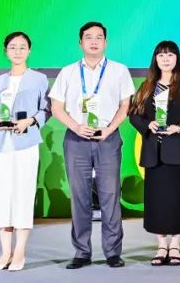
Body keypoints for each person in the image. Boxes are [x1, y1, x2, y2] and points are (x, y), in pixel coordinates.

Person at [49, 22, 135, 269]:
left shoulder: (119, 70)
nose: (94, 41)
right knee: (79, 196)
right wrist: (76, 126)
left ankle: (113, 252)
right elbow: (56, 107)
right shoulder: (68, 72)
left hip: (107, 138)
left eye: (99, 37)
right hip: (77, 139)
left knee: (110, 195)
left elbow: (125, 105)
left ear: (106, 42)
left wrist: (110, 128)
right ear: (80, 42)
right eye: (89, 37)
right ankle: (82, 251)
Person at [129, 41, 180, 266]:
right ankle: (161, 245)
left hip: (178, 151)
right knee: (157, 201)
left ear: (177, 58)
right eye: (161, 55)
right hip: (154, 153)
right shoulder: (146, 86)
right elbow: (134, 115)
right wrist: (148, 125)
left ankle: (175, 244)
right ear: (155, 59)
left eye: (170, 55)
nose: (166, 59)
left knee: (178, 199)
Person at [0, 32, 50, 271]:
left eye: (22, 47)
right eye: (13, 47)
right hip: (0, 145)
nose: (18, 51)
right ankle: (5, 254)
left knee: (23, 195)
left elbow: (46, 110)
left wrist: (30, 121)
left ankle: (20, 253)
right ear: (6, 51)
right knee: (1, 197)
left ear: (29, 51)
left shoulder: (39, 79)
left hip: (26, 144)